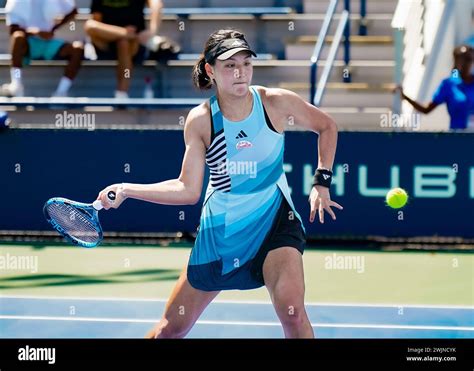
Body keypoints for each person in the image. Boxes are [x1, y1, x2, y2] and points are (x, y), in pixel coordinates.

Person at [96, 29, 343, 339]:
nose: (240, 72)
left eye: (246, 63)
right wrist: (128, 189)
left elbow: (326, 126)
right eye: (229, 65)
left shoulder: (276, 103)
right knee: (169, 330)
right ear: (210, 70)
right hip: (222, 230)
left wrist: (321, 181)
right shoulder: (202, 121)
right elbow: (187, 190)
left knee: (292, 312)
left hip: (276, 222)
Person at [84, 0, 169, 98]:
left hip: (133, 44)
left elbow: (156, 4)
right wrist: (123, 32)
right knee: (90, 25)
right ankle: (125, 34)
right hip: (106, 43)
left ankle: (121, 94)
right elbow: (96, 21)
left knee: (123, 43)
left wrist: (152, 31)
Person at [0, 0, 83, 97]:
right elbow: (13, 30)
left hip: (48, 44)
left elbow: (73, 11)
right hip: (28, 43)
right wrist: (36, 32)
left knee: (78, 48)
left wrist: (54, 29)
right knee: (18, 37)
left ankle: (61, 92)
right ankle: (16, 84)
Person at [395, 44, 474, 130]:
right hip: (457, 138)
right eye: (461, 59)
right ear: (456, 61)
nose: (465, 63)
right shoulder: (449, 84)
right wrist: (405, 97)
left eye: (468, 59)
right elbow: (426, 109)